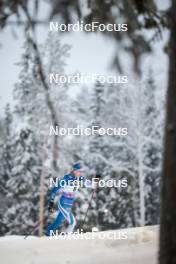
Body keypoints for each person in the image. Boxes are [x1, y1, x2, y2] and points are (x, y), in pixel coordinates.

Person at [46, 163, 85, 236]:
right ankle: (66, 238)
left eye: (82, 171)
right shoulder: (67, 178)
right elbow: (55, 189)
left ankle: (48, 233)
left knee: (59, 221)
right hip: (63, 202)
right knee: (73, 222)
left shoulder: (80, 179)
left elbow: (87, 184)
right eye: (79, 171)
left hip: (69, 204)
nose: (81, 173)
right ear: (74, 171)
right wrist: (51, 203)